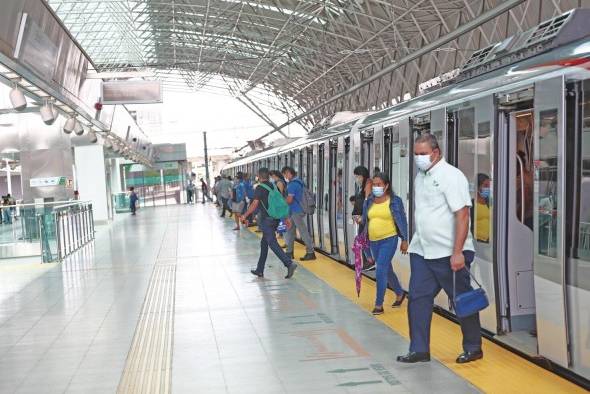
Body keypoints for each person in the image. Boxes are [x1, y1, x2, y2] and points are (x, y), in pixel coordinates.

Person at [397, 133, 482, 365]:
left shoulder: (451, 176)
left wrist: (457, 252)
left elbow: (463, 215)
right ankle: (419, 349)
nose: (418, 158)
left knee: (462, 299)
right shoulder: (420, 177)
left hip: (449, 253)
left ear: (436, 153)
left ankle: (474, 347)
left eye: (422, 154)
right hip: (423, 251)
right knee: (417, 298)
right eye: (416, 154)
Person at [361, 172, 408, 315]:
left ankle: (379, 304)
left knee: (380, 269)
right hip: (373, 241)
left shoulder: (395, 201)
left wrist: (405, 239)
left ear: (386, 186)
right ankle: (400, 293)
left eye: (379, 184)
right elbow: (365, 222)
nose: (376, 187)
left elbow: (402, 220)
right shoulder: (369, 201)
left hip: (389, 239)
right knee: (387, 269)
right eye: (374, 184)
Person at [240, 167, 297, 279]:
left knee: (272, 242)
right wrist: (285, 218)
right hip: (275, 219)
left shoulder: (260, 188)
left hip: (267, 220)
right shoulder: (273, 186)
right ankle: (259, 269)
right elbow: (280, 203)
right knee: (264, 244)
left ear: (259, 176)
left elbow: (254, 204)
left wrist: (245, 215)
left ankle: (289, 263)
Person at [281, 166, 316, 261]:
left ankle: (310, 252)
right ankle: (289, 252)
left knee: (302, 231)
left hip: (296, 211)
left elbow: (289, 200)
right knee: (290, 231)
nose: (285, 176)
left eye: (284, 174)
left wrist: (281, 202)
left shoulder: (292, 185)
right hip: (295, 211)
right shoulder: (299, 181)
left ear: (288, 173)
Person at [352, 166, 375, 271]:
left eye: (357, 176)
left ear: (362, 176)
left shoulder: (368, 185)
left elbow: (367, 204)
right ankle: (367, 262)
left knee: (363, 239)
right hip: (363, 219)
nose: (356, 179)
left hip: (366, 220)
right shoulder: (363, 186)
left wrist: (362, 218)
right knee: (363, 240)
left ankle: (370, 261)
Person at [473, 173, 491, 243]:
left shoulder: (490, 203)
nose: (488, 188)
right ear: (478, 187)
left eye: (489, 186)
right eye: (485, 186)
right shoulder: (471, 204)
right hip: (478, 242)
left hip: (491, 241)